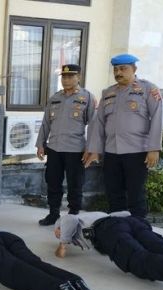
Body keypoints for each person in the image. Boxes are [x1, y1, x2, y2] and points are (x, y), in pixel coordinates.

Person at [83, 54, 163, 218]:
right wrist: (95, 149)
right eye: (116, 69)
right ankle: (117, 230)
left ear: (134, 69)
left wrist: (154, 148)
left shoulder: (148, 89)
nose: (118, 72)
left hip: (136, 152)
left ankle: (140, 230)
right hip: (112, 152)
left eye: (123, 69)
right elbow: (98, 122)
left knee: (136, 195)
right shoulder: (108, 92)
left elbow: (157, 118)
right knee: (114, 195)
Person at [36, 64, 96, 226]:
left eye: (70, 76)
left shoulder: (87, 97)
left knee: (75, 184)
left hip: (76, 150)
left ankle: (73, 215)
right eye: (64, 76)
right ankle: (53, 213)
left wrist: (91, 148)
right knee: (53, 182)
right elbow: (46, 123)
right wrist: (40, 144)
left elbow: (94, 125)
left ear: (79, 77)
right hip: (54, 148)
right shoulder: (55, 97)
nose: (66, 79)